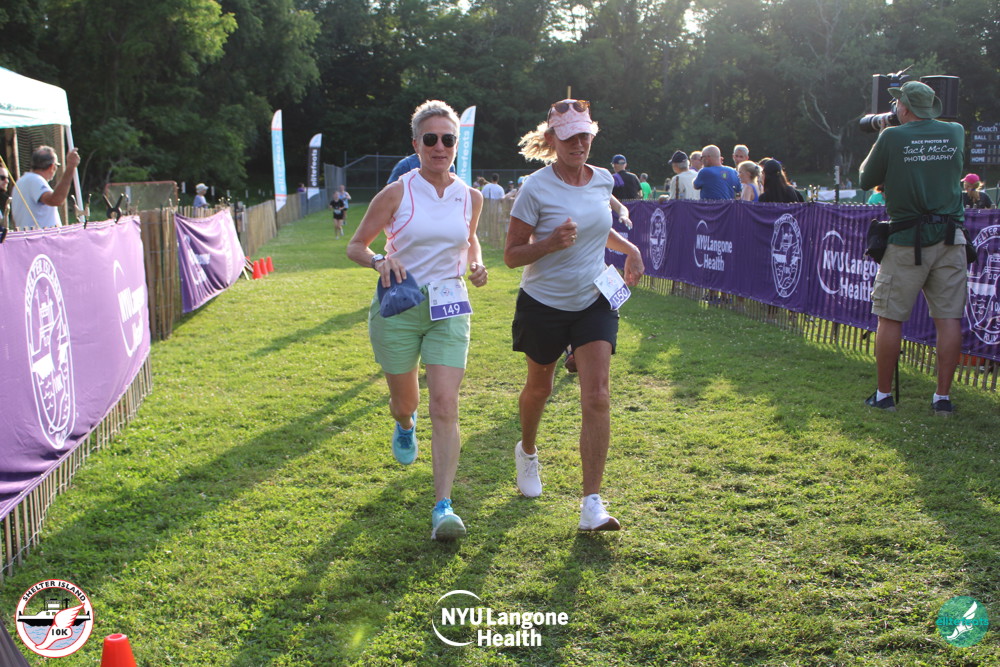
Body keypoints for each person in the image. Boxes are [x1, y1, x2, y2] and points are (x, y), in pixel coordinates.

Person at [347, 100, 488, 541]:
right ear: (416, 144)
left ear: (456, 144)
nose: (440, 146)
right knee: (405, 402)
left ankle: (443, 506)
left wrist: (477, 262)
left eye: (448, 139)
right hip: (400, 308)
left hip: (450, 307)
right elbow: (356, 245)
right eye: (431, 139)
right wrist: (378, 261)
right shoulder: (397, 192)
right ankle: (405, 424)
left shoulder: (471, 196)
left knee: (445, 404)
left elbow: (470, 239)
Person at [504, 98, 644, 531]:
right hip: (543, 302)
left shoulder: (602, 179)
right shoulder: (535, 188)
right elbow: (511, 255)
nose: (578, 144)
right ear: (552, 140)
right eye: (569, 138)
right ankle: (528, 451)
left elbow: (599, 229)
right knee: (539, 388)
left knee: (597, 395)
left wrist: (630, 249)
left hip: (593, 299)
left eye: (585, 136)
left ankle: (591, 504)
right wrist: (548, 243)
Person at [858, 80, 967, 416]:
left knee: (890, 317)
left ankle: (883, 396)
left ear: (903, 107)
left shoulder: (892, 136)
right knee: (948, 318)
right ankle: (942, 398)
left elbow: (865, 179)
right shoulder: (955, 132)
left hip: (907, 240)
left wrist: (885, 133)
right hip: (950, 237)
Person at [10, 146, 81, 229]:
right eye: (57, 166)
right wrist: (70, 167)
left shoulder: (22, 181)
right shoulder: (35, 180)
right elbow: (56, 200)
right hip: (39, 236)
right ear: (52, 167)